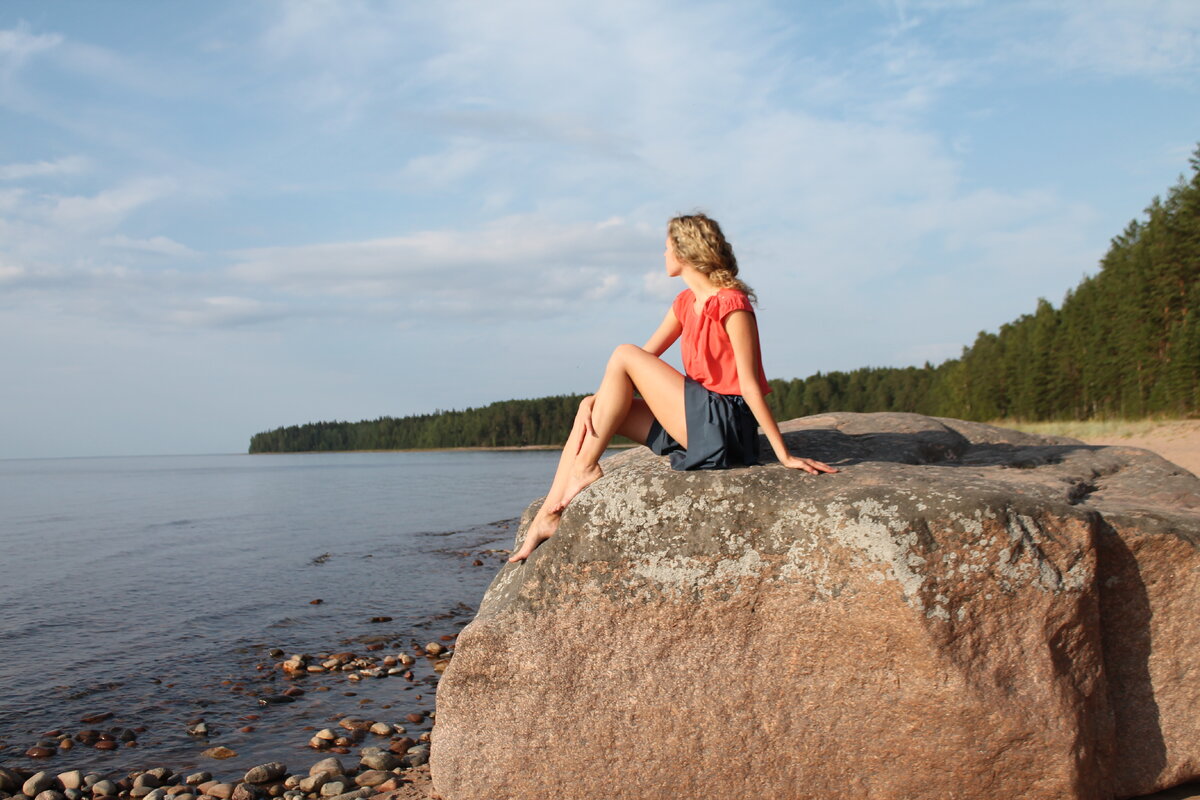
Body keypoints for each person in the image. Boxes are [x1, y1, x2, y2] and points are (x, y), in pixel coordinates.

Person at [509, 213, 837, 563]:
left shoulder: (732, 304)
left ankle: (586, 468)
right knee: (587, 410)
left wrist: (783, 454)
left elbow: (750, 385)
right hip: (693, 417)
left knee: (622, 354)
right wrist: (597, 399)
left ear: (684, 253)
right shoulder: (683, 304)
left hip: (723, 424)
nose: (663, 255)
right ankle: (547, 517)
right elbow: (639, 364)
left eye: (666, 248)